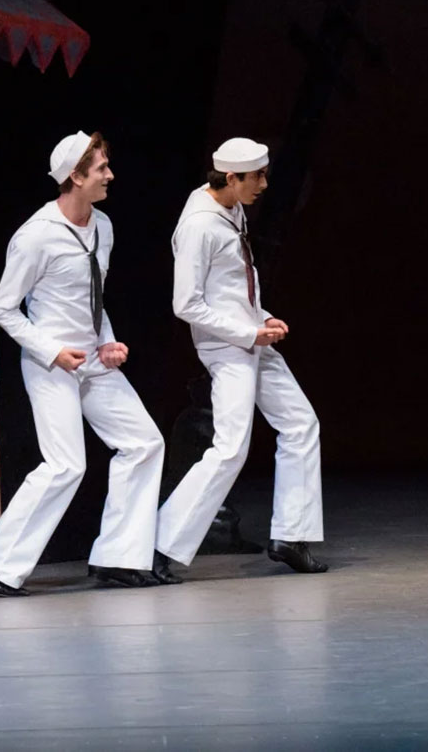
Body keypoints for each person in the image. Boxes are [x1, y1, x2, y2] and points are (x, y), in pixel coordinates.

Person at [0, 131, 166, 593]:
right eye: (101, 169)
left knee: (144, 443)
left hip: (93, 360)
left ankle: (119, 557)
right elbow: (4, 308)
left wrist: (108, 341)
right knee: (66, 465)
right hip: (50, 363)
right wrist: (52, 351)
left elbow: (94, 297)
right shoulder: (35, 236)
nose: (110, 175)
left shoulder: (103, 226)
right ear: (75, 177)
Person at [154, 137, 327, 582]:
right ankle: (161, 542)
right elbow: (186, 304)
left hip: (251, 338)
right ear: (230, 178)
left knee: (300, 423)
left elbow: (233, 285)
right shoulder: (199, 226)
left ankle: (291, 535)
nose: (264, 184)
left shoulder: (232, 209)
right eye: (257, 177)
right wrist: (248, 332)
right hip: (227, 346)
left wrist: (262, 317)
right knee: (230, 447)